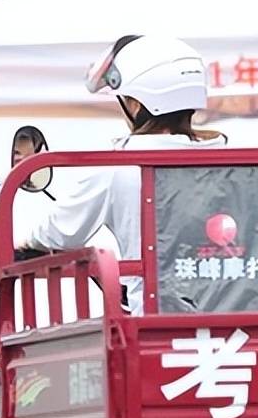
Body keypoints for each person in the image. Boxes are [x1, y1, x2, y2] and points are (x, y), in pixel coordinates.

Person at [13, 35, 226, 322]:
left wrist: (29, 241)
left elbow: (63, 232)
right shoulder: (234, 158)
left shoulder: (117, 164)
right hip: (236, 317)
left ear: (135, 104)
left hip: (154, 324)